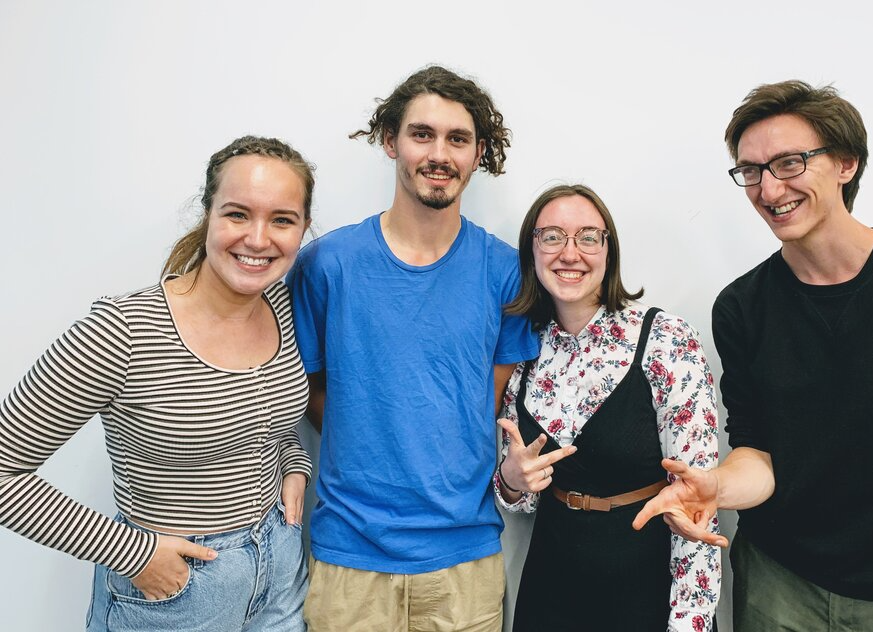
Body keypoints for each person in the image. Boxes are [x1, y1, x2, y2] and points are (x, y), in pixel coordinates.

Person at [634, 81, 873, 631]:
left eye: (790, 162)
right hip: (776, 584)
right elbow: (758, 449)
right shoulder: (741, 307)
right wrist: (719, 485)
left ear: (846, 164)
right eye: (751, 171)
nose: (768, 187)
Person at [0, 135, 316, 631]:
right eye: (237, 214)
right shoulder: (122, 330)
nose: (258, 239)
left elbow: (260, 416)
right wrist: (134, 553)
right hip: (176, 592)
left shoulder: (280, 303)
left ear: (302, 228)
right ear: (207, 213)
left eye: (281, 220)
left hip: (280, 571)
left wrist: (293, 463)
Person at [285, 65, 538, 631]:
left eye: (458, 138)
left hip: (464, 559)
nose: (439, 153)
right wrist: (373, 430)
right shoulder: (327, 265)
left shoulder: (505, 271)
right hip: (349, 556)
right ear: (390, 140)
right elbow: (305, 390)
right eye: (422, 133)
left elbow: (486, 404)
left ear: (479, 154)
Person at [495, 184, 721, 632]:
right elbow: (520, 499)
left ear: (608, 250)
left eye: (588, 237)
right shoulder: (522, 351)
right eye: (553, 236)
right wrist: (512, 481)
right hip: (551, 589)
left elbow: (699, 497)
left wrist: (690, 622)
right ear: (532, 250)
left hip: (645, 585)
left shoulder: (666, 340)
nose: (570, 252)